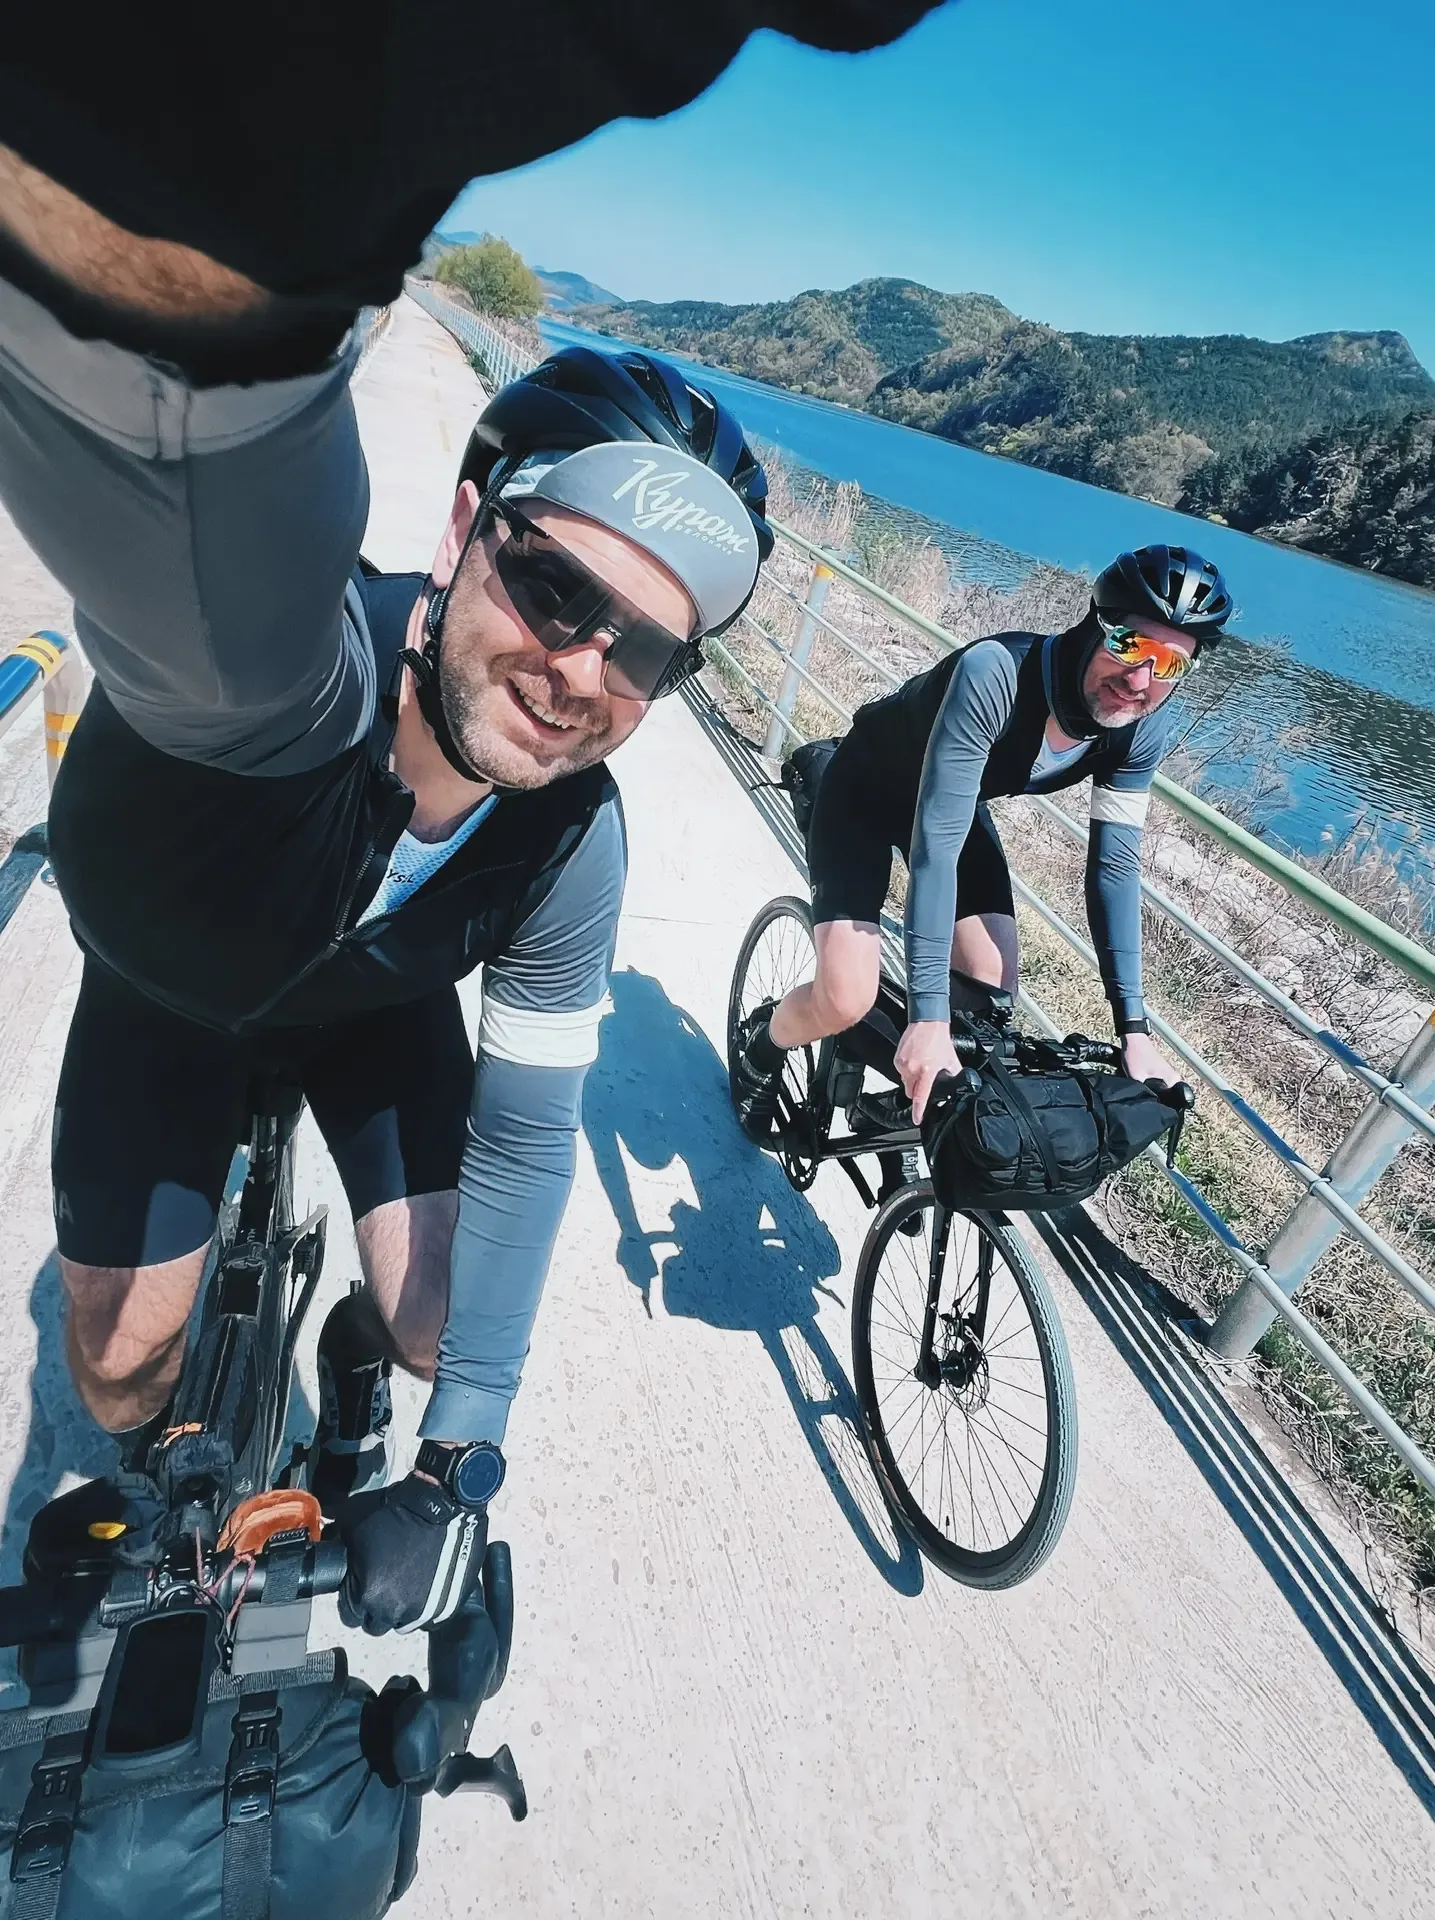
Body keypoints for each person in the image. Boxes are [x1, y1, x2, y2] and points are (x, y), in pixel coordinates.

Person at [0, 238, 773, 1632]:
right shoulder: (287, 684)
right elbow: (202, 507)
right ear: (464, 527)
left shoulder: (571, 846)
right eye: (554, 588)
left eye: (645, 651)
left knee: (437, 1325)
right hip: (166, 998)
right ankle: (161, 1448)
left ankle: (348, 1353)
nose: (578, 669)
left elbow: (528, 1140)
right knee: (116, 1362)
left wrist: (452, 1462)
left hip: (370, 1010)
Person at [732, 545, 1232, 1141]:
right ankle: (763, 1047)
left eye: (1170, 664)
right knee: (843, 997)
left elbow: (1114, 871)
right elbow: (934, 852)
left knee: (990, 989)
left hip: (951, 803)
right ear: (1094, 623)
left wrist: (1135, 1032)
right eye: (1129, 644)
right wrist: (928, 1018)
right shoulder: (997, 674)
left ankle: (899, 1103)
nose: (1141, 679)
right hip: (866, 790)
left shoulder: (1139, 730)